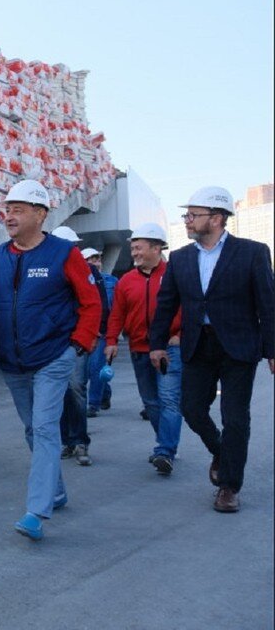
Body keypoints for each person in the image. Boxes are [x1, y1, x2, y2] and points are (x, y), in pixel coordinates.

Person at [0, 180, 101, 540]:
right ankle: (55, 491)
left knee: (43, 428)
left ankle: (36, 511)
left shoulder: (63, 254)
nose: (9, 216)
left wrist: (77, 346)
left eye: (18, 210)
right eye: (7, 209)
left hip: (53, 357)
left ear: (40, 215)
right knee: (32, 429)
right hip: (12, 363)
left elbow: (91, 302)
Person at [149, 186, 274, 513]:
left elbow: (268, 305)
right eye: (186, 215)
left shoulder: (252, 252)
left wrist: (272, 349)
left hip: (238, 347)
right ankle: (220, 450)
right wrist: (157, 345)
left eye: (193, 215)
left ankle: (229, 486)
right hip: (198, 345)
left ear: (216, 219)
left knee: (235, 418)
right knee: (190, 407)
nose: (187, 221)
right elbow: (166, 304)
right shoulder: (180, 258)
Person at [104, 223, 183, 476]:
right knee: (151, 402)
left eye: (138, 248)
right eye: (133, 249)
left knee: (169, 399)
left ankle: (165, 451)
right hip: (139, 349)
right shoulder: (125, 281)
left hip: (170, 349)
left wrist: (180, 335)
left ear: (156, 247)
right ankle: (167, 442)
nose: (134, 253)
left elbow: (192, 309)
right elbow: (117, 314)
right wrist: (111, 341)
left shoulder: (175, 275)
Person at [50, 226, 108, 467]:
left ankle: (80, 440)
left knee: (75, 388)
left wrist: (93, 334)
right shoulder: (50, 269)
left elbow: (99, 303)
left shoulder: (88, 271)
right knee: (60, 392)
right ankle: (67, 441)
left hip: (78, 339)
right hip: (53, 340)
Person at [81, 247, 117, 416]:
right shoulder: (80, 282)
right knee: (88, 370)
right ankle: (105, 392)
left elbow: (117, 309)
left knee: (96, 367)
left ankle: (93, 404)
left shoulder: (111, 282)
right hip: (85, 332)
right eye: (91, 260)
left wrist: (114, 334)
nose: (96, 263)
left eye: (97, 260)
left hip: (103, 332)